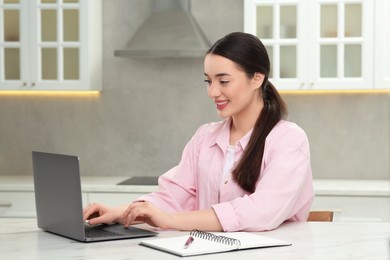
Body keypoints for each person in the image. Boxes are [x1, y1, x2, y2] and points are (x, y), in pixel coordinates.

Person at [83, 32, 313, 232]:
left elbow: (262, 211)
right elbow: (172, 197)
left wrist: (171, 221)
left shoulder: (288, 140)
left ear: (257, 78)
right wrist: (119, 212)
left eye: (223, 81)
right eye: (208, 81)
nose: (212, 92)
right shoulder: (205, 137)